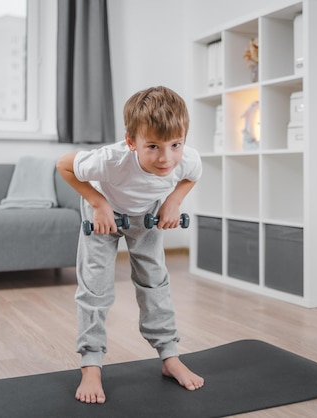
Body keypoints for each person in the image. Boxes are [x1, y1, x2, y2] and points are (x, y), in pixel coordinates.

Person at [56, 86, 204, 404]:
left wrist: (173, 201)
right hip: (104, 214)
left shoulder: (185, 159)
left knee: (155, 282)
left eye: (175, 144)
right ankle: (91, 364)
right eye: (152, 146)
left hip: (145, 215)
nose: (166, 158)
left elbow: (193, 174)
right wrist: (97, 203)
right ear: (131, 142)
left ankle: (169, 356)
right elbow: (64, 165)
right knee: (95, 287)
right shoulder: (110, 160)